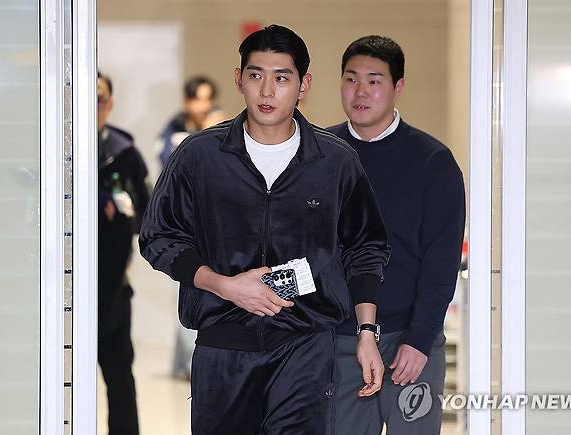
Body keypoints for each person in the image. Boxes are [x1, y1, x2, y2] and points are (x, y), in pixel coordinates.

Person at [140, 25, 391, 435]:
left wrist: (366, 332)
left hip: (305, 348)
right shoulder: (200, 156)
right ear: (238, 79)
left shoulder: (335, 162)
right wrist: (224, 285)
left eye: (282, 77)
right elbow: (159, 236)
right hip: (223, 348)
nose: (267, 91)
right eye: (256, 75)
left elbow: (365, 247)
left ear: (303, 85)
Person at [327, 35, 466, 434]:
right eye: (351, 79)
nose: (360, 92)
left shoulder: (432, 161)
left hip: (410, 340)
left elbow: (441, 263)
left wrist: (420, 339)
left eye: (374, 81)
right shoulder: (320, 156)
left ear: (397, 86)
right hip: (340, 342)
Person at [97, 71, 150, 435]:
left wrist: (122, 209)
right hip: (56, 286)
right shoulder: (50, 145)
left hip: (112, 285)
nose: (92, 106)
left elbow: (148, 215)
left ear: (110, 104)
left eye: (99, 99)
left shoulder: (124, 153)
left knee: (119, 376)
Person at [156, 76, 227, 166]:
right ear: (186, 101)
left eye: (208, 99)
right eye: (198, 99)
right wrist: (205, 134)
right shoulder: (175, 127)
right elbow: (169, 161)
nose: (204, 107)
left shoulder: (222, 126)